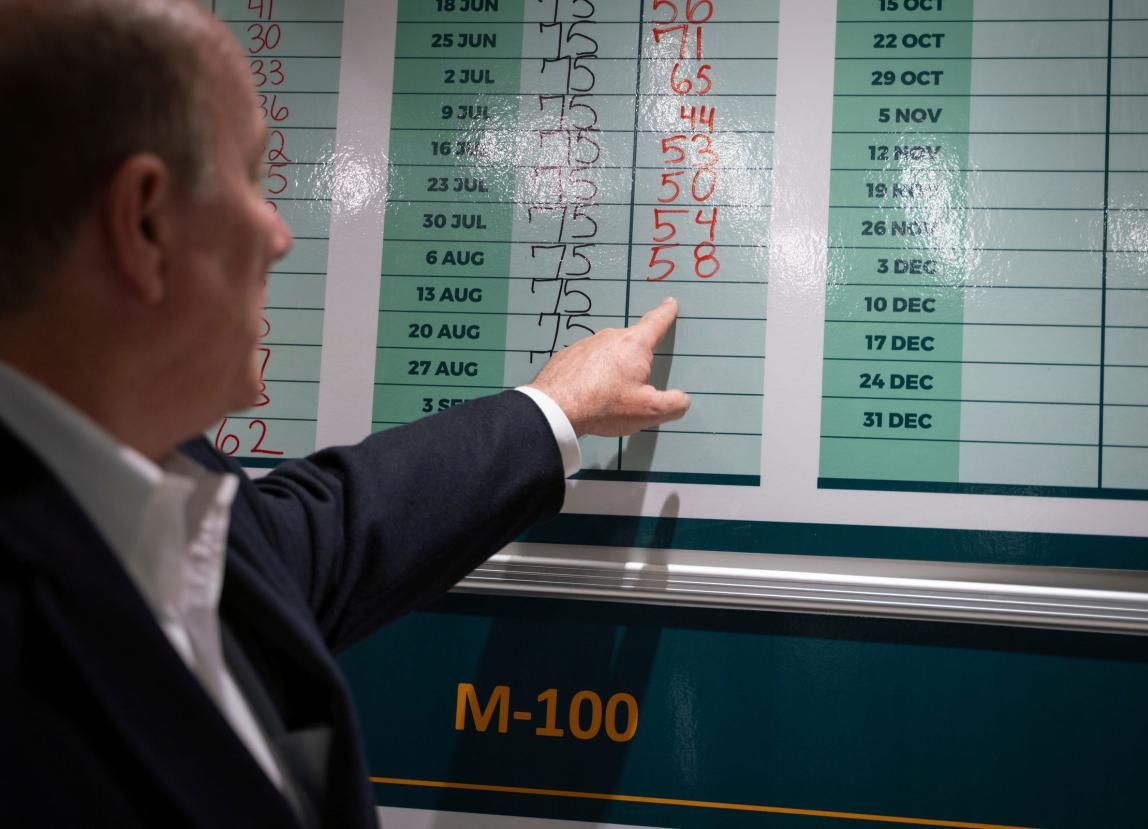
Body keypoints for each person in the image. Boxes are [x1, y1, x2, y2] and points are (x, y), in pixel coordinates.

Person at [0, 0, 689, 825]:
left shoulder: (154, 486)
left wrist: (555, 408)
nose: (281, 234)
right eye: (253, 176)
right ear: (144, 222)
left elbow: (318, 535)